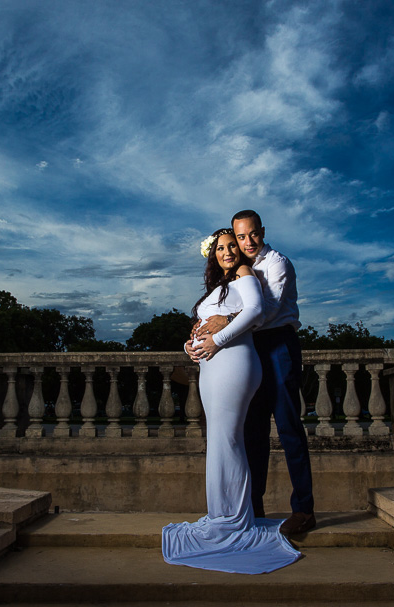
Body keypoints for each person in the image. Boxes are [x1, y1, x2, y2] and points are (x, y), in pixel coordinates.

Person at [162, 228, 300, 574]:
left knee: (229, 441)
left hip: (235, 364)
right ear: (213, 254)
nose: (227, 252)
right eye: (220, 248)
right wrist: (192, 346)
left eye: (230, 246)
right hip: (212, 366)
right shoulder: (218, 286)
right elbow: (201, 327)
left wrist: (217, 341)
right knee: (220, 443)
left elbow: (254, 312)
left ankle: (234, 522)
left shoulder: (245, 274)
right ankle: (222, 514)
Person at [192, 210, 315, 536]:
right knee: (254, 433)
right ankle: (254, 506)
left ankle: (304, 509)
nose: (246, 242)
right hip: (250, 348)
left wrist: (224, 322)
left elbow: (266, 312)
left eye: (252, 235)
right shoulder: (234, 270)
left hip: (278, 345)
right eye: (240, 237)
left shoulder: (277, 264)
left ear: (262, 231)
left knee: (288, 427)